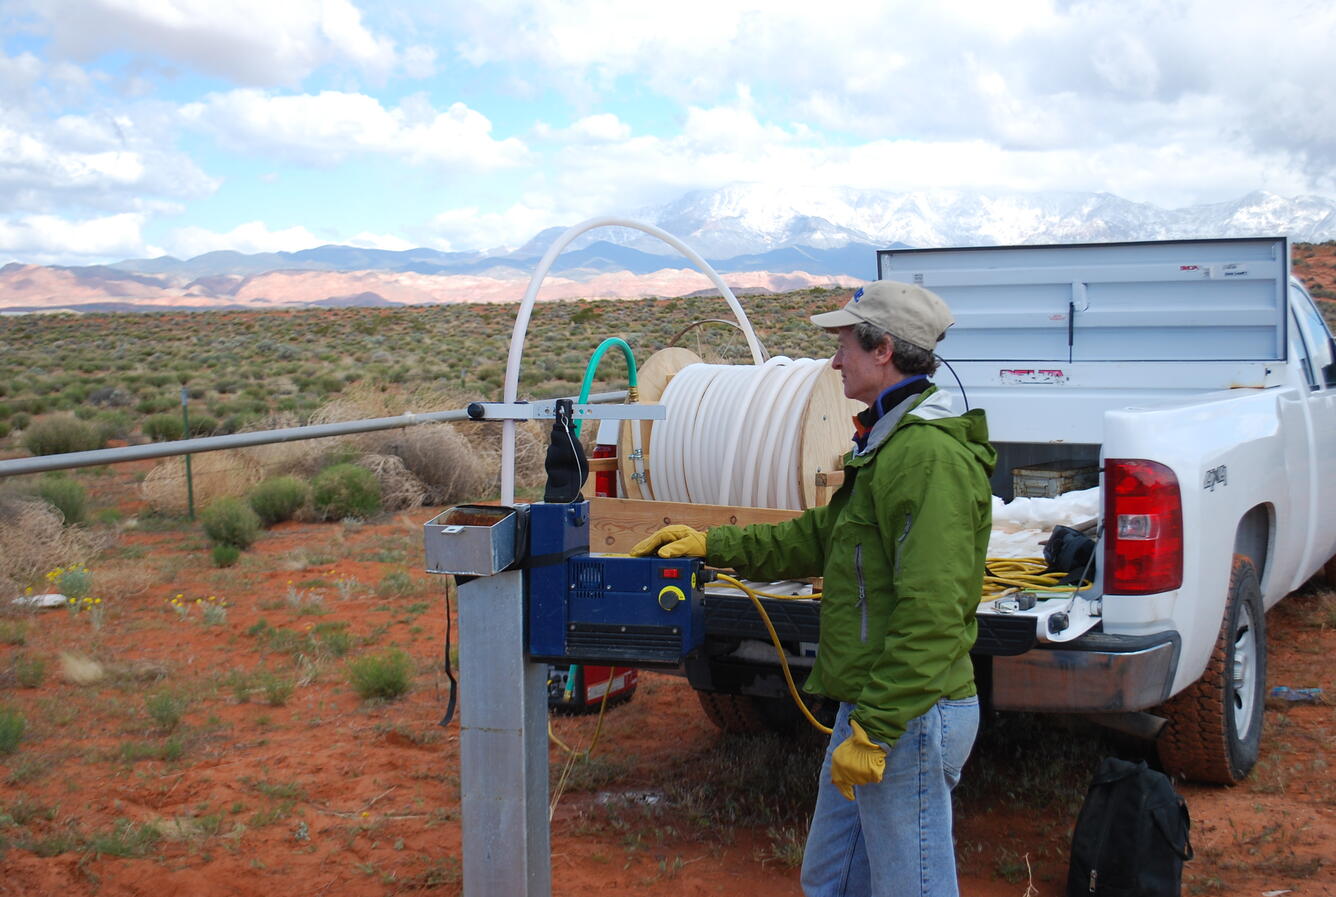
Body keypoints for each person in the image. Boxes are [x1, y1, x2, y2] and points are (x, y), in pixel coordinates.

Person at [632, 281, 996, 897]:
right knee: (830, 880)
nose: (833, 361)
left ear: (883, 350)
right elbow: (814, 538)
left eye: (845, 346)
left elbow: (933, 613)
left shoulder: (927, 459)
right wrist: (710, 544)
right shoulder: (888, 445)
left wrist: (878, 727)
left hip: (909, 712)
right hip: (874, 705)